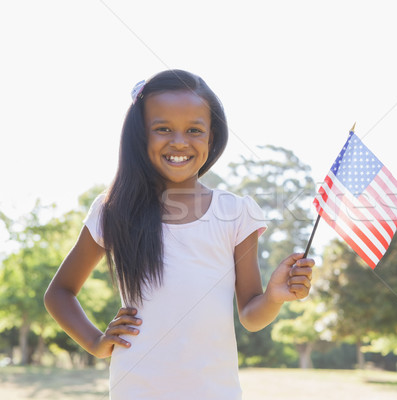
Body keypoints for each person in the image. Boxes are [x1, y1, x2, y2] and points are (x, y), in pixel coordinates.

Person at [44, 69, 314, 399]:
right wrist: (97, 343)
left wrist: (272, 298)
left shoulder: (235, 213)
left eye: (194, 130)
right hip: (136, 390)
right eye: (163, 129)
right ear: (141, 136)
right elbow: (59, 293)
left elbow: (250, 316)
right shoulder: (113, 209)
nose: (179, 141)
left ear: (212, 138)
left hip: (215, 391)